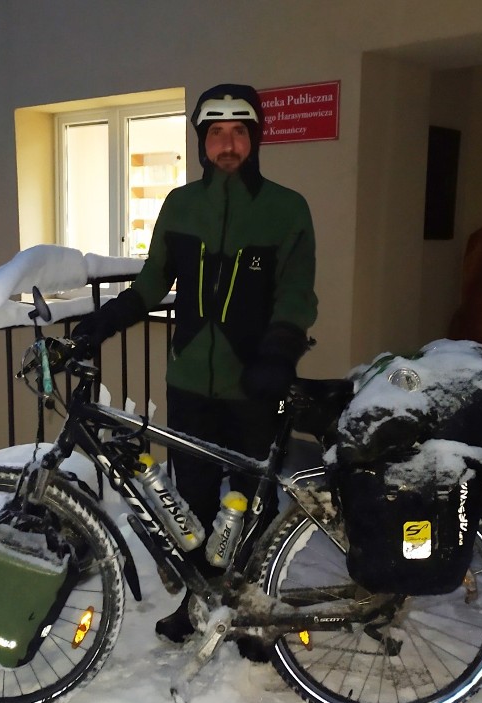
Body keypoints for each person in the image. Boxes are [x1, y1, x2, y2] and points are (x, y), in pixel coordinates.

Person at [71, 83, 318, 643]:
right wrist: (102, 324)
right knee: (197, 501)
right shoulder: (181, 206)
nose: (227, 144)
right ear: (202, 142)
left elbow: (297, 294)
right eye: (216, 134)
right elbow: (153, 282)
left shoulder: (286, 208)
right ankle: (199, 600)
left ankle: (254, 613)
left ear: (254, 139)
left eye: (238, 132)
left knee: (252, 503)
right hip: (190, 382)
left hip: (255, 380)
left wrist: (278, 353)